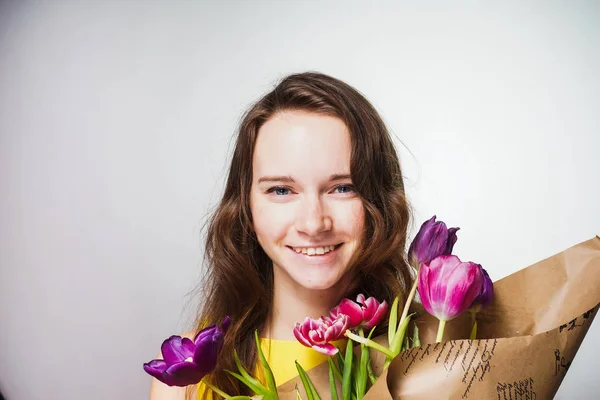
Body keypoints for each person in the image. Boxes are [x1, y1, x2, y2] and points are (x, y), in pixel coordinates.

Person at [149, 72, 414, 400]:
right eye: (281, 190)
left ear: (380, 201)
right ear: (246, 207)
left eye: (343, 188)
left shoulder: (430, 354)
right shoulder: (188, 380)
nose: (314, 223)